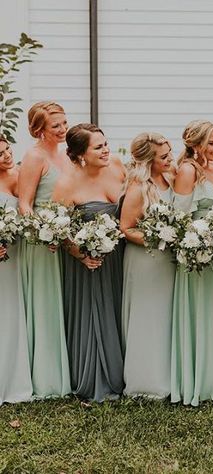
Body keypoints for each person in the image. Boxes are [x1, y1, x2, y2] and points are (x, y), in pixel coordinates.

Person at [52, 123, 126, 402]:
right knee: (95, 314)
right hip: (88, 262)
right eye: (98, 147)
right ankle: (96, 379)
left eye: (106, 144)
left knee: (120, 310)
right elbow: (57, 228)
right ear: (81, 154)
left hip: (120, 257)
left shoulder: (118, 166)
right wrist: (80, 254)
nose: (106, 150)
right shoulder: (66, 184)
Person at [171, 120, 213, 406]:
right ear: (196, 145)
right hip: (199, 255)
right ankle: (203, 379)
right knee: (203, 311)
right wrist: (202, 240)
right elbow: (180, 217)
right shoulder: (188, 171)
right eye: (211, 143)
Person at [18, 101, 71, 398]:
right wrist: (45, 232)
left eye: (64, 123)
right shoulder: (34, 157)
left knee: (64, 301)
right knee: (45, 303)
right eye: (56, 125)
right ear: (39, 129)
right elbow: (25, 204)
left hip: (64, 237)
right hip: (43, 242)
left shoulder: (64, 154)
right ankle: (46, 377)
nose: (63, 129)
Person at [121, 132, 176, 398]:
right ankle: (147, 381)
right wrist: (158, 240)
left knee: (167, 315)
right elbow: (126, 228)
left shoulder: (170, 178)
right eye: (164, 156)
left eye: (170, 152)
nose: (170, 158)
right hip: (146, 260)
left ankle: (169, 373)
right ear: (148, 160)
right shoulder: (138, 187)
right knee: (148, 316)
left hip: (168, 261)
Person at [0, 136, 32, 405]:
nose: (7, 155)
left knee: (13, 309)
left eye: (8, 149)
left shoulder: (22, 174)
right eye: (0, 154)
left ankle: (15, 375)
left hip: (17, 252)